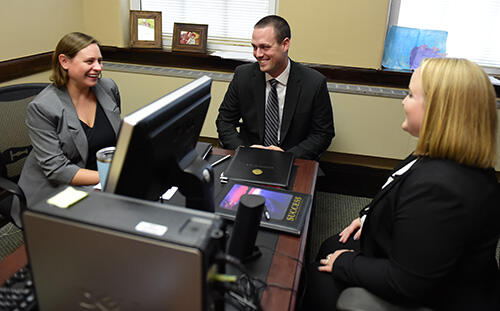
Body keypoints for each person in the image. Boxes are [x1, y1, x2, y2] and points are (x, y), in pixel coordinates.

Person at [302, 58, 500, 310]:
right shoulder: (440, 156)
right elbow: (395, 190)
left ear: (438, 110)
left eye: (410, 94)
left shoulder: (441, 188)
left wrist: (344, 264)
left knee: (315, 282)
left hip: (433, 296)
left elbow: (406, 282)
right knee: (331, 245)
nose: (403, 101)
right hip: (420, 263)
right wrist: (367, 218)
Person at [18, 32, 122, 207]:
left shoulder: (108, 88)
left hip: (100, 183)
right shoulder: (42, 107)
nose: (98, 67)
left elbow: (116, 141)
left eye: (100, 61)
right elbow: (57, 170)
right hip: (56, 189)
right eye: (89, 61)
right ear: (64, 61)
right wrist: (111, 176)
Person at [216, 15, 335, 160]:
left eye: (265, 47)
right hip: (249, 158)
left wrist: (288, 156)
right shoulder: (243, 76)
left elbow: (323, 133)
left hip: (293, 159)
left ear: (285, 45)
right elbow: (224, 121)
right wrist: (242, 150)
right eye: (254, 47)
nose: (258, 54)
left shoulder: (313, 83)